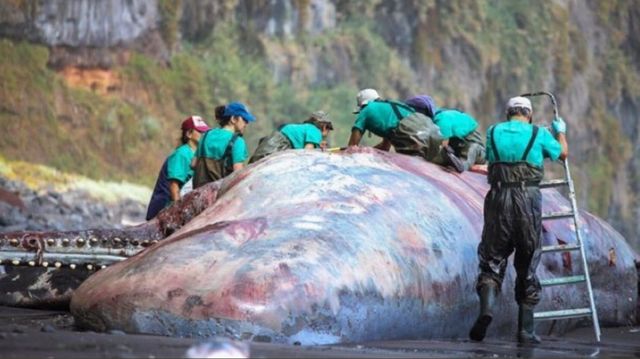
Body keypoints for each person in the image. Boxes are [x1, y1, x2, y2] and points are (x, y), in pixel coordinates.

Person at [469, 96, 568, 344]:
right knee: (527, 259)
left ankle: (486, 310)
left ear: (508, 113)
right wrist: (560, 132)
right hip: (528, 200)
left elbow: (489, 158)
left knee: (491, 258)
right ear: (529, 114)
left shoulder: (493, 132)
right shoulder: (538, 133)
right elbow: (562, 154)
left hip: (498, 198)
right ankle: (525, 331)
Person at [347, 89, 463, 170]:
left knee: (410, 156)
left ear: (362, 105)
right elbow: (385, 147)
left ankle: (435, 156)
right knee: (429, 156)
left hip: (410, 131)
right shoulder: (391, 107)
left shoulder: (366, 110)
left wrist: (355, 151)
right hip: (429, 126)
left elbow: (352, 147)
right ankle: (444, 155)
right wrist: (368, 150)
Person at [145, 116, 210, 220]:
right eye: (200, 131)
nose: (204, 135)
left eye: (205, 132)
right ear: (189, 134)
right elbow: (174, 186)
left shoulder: (196, 155)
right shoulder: (182, 154)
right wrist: (179, 214)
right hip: (164, 210)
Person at [405, 95, 486, 172]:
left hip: (476, 150)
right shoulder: (434, 121)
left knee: (468, 153)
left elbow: (442, 145)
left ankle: (460, 166)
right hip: (456, 149)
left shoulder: (442, 119)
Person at [192, 102, 255, 188]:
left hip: (198, 192)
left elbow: (193, 164)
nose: (246, 123)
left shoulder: (206, 135)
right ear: (233, 119)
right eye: (245, 120)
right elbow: (238, 174)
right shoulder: (238, 141)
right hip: (218, 195)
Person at [249, 111, 334, 163]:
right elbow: (307, 152)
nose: (328, 131)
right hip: (277, 145)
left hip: (273, 140)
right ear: (324, 126)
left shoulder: (306, 127)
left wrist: (318, 147)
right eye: (329, 128)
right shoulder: (315, 131)